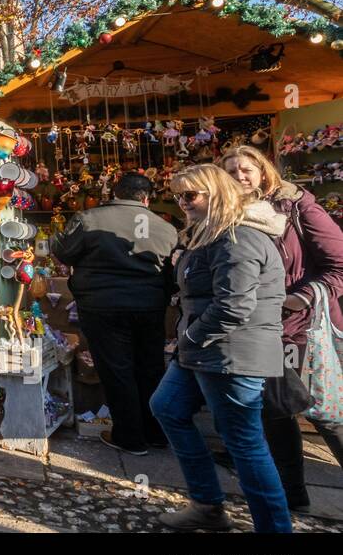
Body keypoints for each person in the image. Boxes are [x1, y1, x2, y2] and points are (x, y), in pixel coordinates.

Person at [149, 163, 292, 533]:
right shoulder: (211, 235)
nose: (183, 203)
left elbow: (234, 307)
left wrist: (190, 337)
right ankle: (208, 506)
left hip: (230, 353)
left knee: (244, 442)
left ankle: (275, 530)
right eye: (178, 196)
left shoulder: (237, 238)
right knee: (166, 407)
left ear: (216, 194)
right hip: (203, 349)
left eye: (190, 195)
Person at [223, 145, 343, 509]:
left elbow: (338, 263)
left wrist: (298, 299)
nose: (239, 176)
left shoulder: (295, 204)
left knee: (324, 411)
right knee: (275, 412)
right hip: (256, 330)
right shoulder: (227, 211)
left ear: (263, 171)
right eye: (230, 171)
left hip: (299, 325)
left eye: (246, 169)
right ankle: (293, 495)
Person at [51, 172, 179, 455]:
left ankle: (130, 437)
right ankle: (156, 432)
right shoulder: (165, 228)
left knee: (117, 370)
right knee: (150, 369)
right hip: (149, 306)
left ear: (115, 193)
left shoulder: (90, 219)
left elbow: (62, 251)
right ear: (146, 199)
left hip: (103, 306)